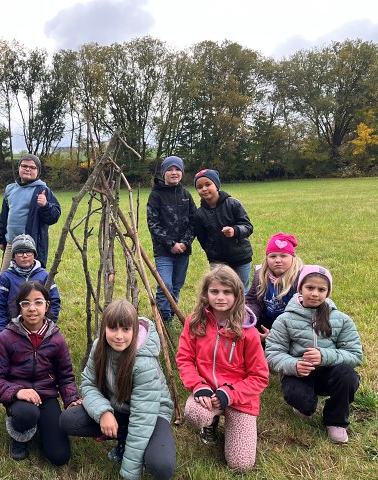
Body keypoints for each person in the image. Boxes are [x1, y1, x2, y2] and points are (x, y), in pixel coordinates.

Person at [60, 299, 177, 480]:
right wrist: (103, 412)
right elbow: (88, 384)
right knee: (69, 420)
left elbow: (142, 419)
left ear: (134, 330)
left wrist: (130, 473)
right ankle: (122, 436)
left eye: (126, 329)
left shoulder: (144, 364)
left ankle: (139, 443)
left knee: (161, 466)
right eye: (113, 328)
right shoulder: (99, 347)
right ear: (104, 328)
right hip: (118, 407)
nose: (119, 336)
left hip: (151, 414)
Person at [176, 266, 269, 472]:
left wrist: (230, 394)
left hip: (240, 399)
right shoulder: (195, 322)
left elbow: (259, 377)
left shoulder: (248, 332)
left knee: (241, 465)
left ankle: (236, 425)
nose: (220, 297)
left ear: (237, 295)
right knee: (196, 414)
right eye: (214, 291)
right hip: (208, 393)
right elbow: (184, 358)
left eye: (227, 292)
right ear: (205, 293)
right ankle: (211, 422)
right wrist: (198, 386)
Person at [0, 281, 80, 465]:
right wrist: (16, 392)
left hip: (46, 395)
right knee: (27, 413)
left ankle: (41, 427)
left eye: (38, 302)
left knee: (59, 457)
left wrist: (71, 399)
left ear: (47, 305)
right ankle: (19, 435)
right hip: (19, 398)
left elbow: (65, 375)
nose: (32, 308)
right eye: (26, 303)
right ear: (19, 307)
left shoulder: (57, 339)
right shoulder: (6, 337)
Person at [265, 265, 362, 444]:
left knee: (348, 376)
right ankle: (305, 406)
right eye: (310, 287)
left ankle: (336, 421)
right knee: (300, 399)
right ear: (300, 288)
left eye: (321, 289)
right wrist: (294, 365)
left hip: (330, 374)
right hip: (299, 374)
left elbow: (355, 354)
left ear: (328, 292)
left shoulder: (341, 319)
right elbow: (273, 353)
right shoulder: (285, 319)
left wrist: (324, 356)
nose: (315, 293)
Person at [147, 155, 196, 323]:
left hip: (183, 250)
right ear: (164, 173)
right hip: (163, 251)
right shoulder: (156, 195)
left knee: (176, 285)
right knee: (165, 284)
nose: (174, 173)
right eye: (170, 169)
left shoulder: (186, 195)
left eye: (177, 169)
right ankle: (164, 317)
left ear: (182, 172)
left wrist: (185, 243)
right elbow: (153, 223)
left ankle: (171, 313)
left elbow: (194, 221)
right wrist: (171, 244)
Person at [0, 154, 61, 271]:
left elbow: (54, 216)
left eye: (32, 167)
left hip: (31, 247)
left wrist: (45, 205)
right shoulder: (10, 189)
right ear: (19, 168)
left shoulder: (43, 190)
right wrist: (0, 238)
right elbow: (4, 216)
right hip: (11, 244)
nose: (27, 169)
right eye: (24, 166)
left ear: (38, 171)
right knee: (6, 277)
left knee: (31, 280)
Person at [193, 169, 254, 293]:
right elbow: (202, 238)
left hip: (240, 258)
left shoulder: (233, 204)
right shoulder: (199, 214)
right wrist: (211, 250)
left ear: (217, 185)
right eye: (199, 187)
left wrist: (235, 230)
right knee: (220, 290)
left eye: (208, 184)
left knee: (241, 291)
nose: (204, 189)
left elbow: (247, 226)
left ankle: (242, 307)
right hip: (217, 261)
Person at [0, 234, 61, 332]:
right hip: (12, 329)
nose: (24, 256)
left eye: (28, 252)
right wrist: (3, 331)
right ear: (13, 256)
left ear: (34, 254)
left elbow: (54, 302)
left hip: (39, 328)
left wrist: (47, 327)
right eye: (20, 252)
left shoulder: (44, 276)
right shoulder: (5, 278)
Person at [246, 233, 303, 342]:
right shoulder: (260, 275)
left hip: (292, 325)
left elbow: (304, 311)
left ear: (293, 258)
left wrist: (276, 335)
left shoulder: (300, 278)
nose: (277, 260)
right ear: (267, 259)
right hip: (267, 321)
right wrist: (249, 318)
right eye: (273, 256)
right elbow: (253, 301)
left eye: (283, 256)